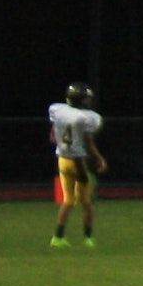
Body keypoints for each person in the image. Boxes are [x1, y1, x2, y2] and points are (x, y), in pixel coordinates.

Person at [46, 83, 106, 249]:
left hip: (62, 160)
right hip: (78, 161)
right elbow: (89, 141)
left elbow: (53, 134)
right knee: (87, 202)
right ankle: (87, 238)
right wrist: (99, 158)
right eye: (86, 98)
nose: (88, 101)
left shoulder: (58, 110)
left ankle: (57, 237)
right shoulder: (88, 117)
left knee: (68, 201)